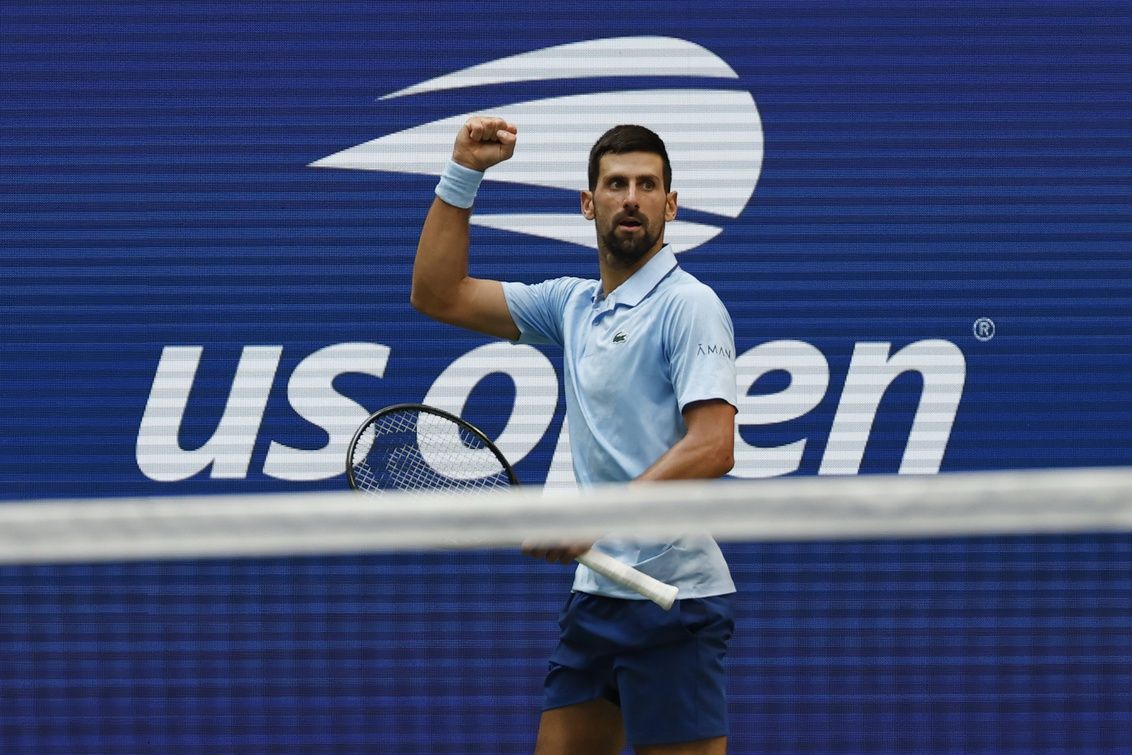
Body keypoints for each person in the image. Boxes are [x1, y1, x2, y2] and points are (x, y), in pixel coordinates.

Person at [412, 116, 738, 755]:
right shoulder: (573, 307)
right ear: (589, 204)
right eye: (616, 184)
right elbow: (438, 294)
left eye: (647, 185)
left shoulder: (689, 305)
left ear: (670, 205)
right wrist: (464, 172)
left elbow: (713, 445)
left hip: (672, 600)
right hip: (597, 597)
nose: (631, 198)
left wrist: (596, 517)